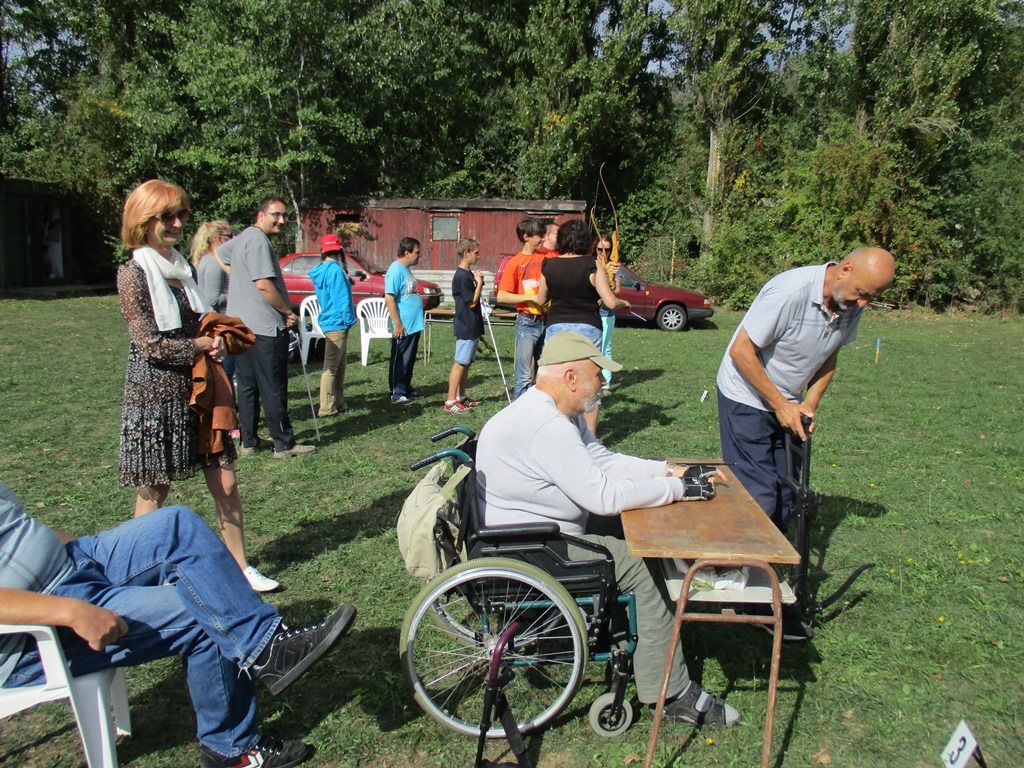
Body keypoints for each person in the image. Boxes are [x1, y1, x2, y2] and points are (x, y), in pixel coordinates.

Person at [476, 332, 739, 727]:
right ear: (570, 377)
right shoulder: (546, 425)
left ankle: (639, 636)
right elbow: (603, 496)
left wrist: (670, 471)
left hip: (534, 535)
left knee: (632, 530)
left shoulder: (553, 413)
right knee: (638, 564)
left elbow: (603, 460)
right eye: (598, 375)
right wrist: (681, 489)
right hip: (532, 550)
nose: (604, 384)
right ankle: (671, 693)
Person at [0, 483, 355, 768]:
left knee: (175, 525)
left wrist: (89, 551)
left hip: (75, 561)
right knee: (208, 610)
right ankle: (231, 749)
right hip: (36, 632)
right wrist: (69, 611)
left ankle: (267, 647)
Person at [116, 180, 279, 593]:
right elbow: (149, 345)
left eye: (181, 215)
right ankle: (139, 580)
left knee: (226, 481)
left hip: (202, 389)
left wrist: (217, 339)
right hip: (156, 395)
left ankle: (240, 569)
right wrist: (201, 345)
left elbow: (201, 321)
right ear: (143, 221)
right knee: (155, 489)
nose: (176, 223)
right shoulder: (133, 273)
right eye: (166, 217)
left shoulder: (183, 270)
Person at [716, 246, 896, 531]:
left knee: (787, 493)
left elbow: (830, 355)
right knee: (758, 494)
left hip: (789, 402)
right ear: (845, 270)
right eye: (862, 293)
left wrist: (810, 403)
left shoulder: (849, 303)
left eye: (871, 297)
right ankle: (741, 553)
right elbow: (741, 351)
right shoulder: (790, 291)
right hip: (745, 395)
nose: (863, 304)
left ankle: (774, 552)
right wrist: (780, 404)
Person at [221, 197, 315, 459]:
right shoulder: (258, 240)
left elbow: (220, 254)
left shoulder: (242, 237)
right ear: (261, 214)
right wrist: (287, 312)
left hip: (241, 327)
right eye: (276, 215)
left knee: (247, 385)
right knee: (273, 385)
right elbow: (263, 284)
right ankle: (283, 444)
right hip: (264, 327)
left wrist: (240, 281)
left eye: (284, 216)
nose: (282, 221)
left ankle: (249, 441)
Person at [535, 220, 628, 434]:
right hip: (587, 326)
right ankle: (589, 439)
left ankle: (557, 432)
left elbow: (540, 300)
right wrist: (623, 303)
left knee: (557, 380)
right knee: (589, 383)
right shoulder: (592, 265)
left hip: (557, 327)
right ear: (586, 241)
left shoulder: (549, 265)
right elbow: (610, 302)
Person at [495, 217, 549, 399]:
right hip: (527, 322)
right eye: (539, 235)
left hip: (547, 320)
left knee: (544, 372)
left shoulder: (546, 257)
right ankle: (519, 410)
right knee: (524, 375)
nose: (543, 239)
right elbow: (502, 296)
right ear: (526, 236)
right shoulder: (515, 262)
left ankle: (541, 408)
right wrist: (532, 297)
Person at [309, 233, 356, 417]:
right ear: (339, 250)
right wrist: (348, 320)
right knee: (331, 368)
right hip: (338, 322)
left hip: (330, 320)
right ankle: (326, 407)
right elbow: (341, 299)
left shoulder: (321, 269)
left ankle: (339, 402)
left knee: (339, 365)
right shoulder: (335, 270)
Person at [191, 220, 238, 392]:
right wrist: (240, 293)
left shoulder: (208, 260)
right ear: (218, 238)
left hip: (218, 323)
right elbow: (212, 298)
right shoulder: (213, 263)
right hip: (220, 325)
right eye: (229, 236)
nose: (233, 239)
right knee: (225, 373)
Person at [444, 239, 484, 415]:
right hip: (465, 324)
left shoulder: (467, 274)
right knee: (460, 363)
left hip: (472, 324)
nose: (478, 256)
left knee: (467, 363)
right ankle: (450, 400)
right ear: (467, 253)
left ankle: (461, 396)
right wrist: (479, 284)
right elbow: (472, 303)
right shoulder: (461, 276)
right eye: (476, 253)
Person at [384, 237, 425, 405]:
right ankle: (397, 392)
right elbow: (389, 298)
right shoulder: (395, 270)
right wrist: (398, 324)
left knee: (409, 359)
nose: (419, 256)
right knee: (400, 359)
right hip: (403, 325)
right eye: (416, 252)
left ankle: (406, 387)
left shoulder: (406, 270)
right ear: (407, 252)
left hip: (413, 324)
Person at [597, 236, 623, 395]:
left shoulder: (614, 265)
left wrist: (610, 286)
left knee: (604, 348)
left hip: (606, 313)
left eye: (607, 249)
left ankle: (605, 383)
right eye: (600, 249)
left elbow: (617, 290)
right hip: (592, 312)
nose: (603, 252)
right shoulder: (592, 264)